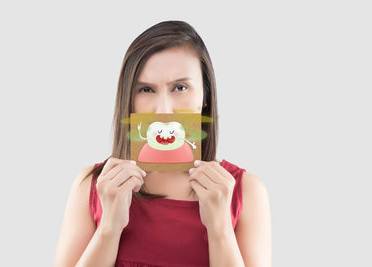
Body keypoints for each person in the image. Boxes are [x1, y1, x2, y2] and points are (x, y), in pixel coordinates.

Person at [54, 20, 272, 267]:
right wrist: (109, 228)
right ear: (129, 100)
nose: (163, 110)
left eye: (180, 87)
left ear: (206, 95)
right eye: (146, 90)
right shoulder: (93, 186)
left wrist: (220, 230)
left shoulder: (245, 192)